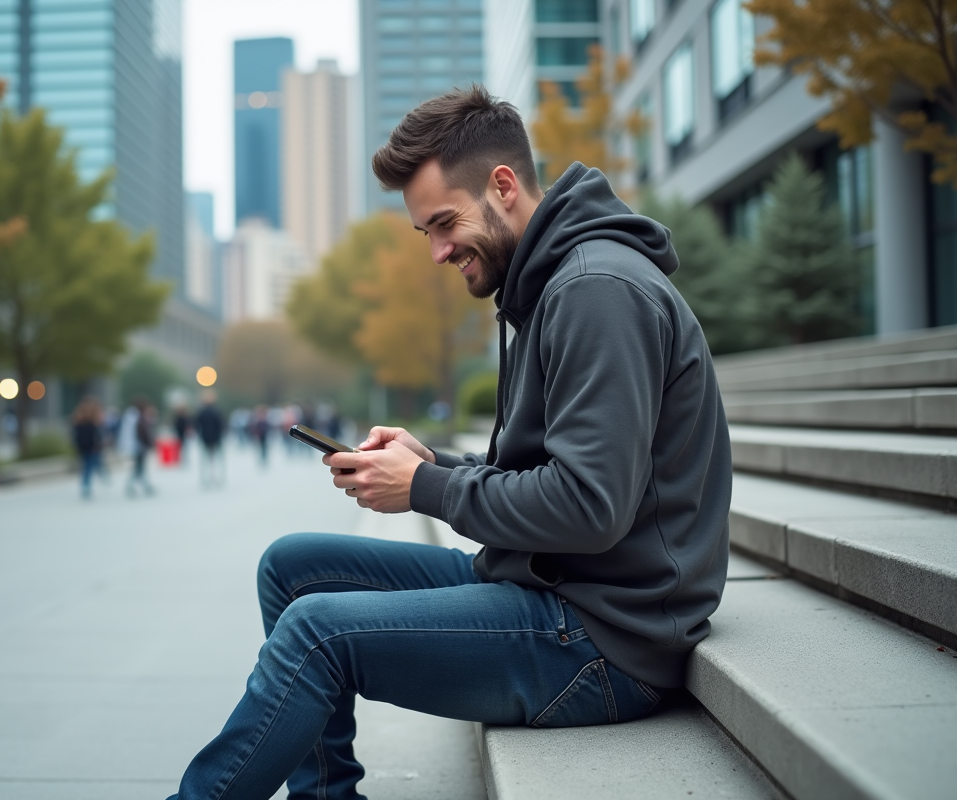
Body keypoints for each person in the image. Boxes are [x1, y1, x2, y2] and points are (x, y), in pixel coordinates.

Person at [166, 86, 731, 800]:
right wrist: (435, 464)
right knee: (291, 568)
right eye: (423, 233)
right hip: (546, 583)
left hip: (602, 639)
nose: (436, 252)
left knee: (317, 633)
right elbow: (554, 474)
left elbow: (590, 505)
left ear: (502, 186)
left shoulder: (596, 291)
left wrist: (425, 489)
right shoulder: (554, 283)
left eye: (442, 224)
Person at [118, 396, 155, 497]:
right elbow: (142, 432)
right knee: (139, 467)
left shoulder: (131, 415)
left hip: (136, 445)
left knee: (139, 467)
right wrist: (148, 443)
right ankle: (139, 486)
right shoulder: (137, 416)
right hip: (139, 445)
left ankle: (142, 486)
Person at [71, 397, 104, 499]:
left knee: (87, 467)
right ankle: (86, 485)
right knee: (88, 467)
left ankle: (86, 485)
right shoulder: (89, 424)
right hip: (89, 448)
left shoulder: (80, 423)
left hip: (86, 447)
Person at [194, 390, 225, 488]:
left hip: (205, 438)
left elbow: (196, 424)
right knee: (215, 459)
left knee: (205, 459)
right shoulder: (217, 411)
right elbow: (222, 425)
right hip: (216, 438)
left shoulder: (201, 412)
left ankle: (206, 479)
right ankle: (216, 478)